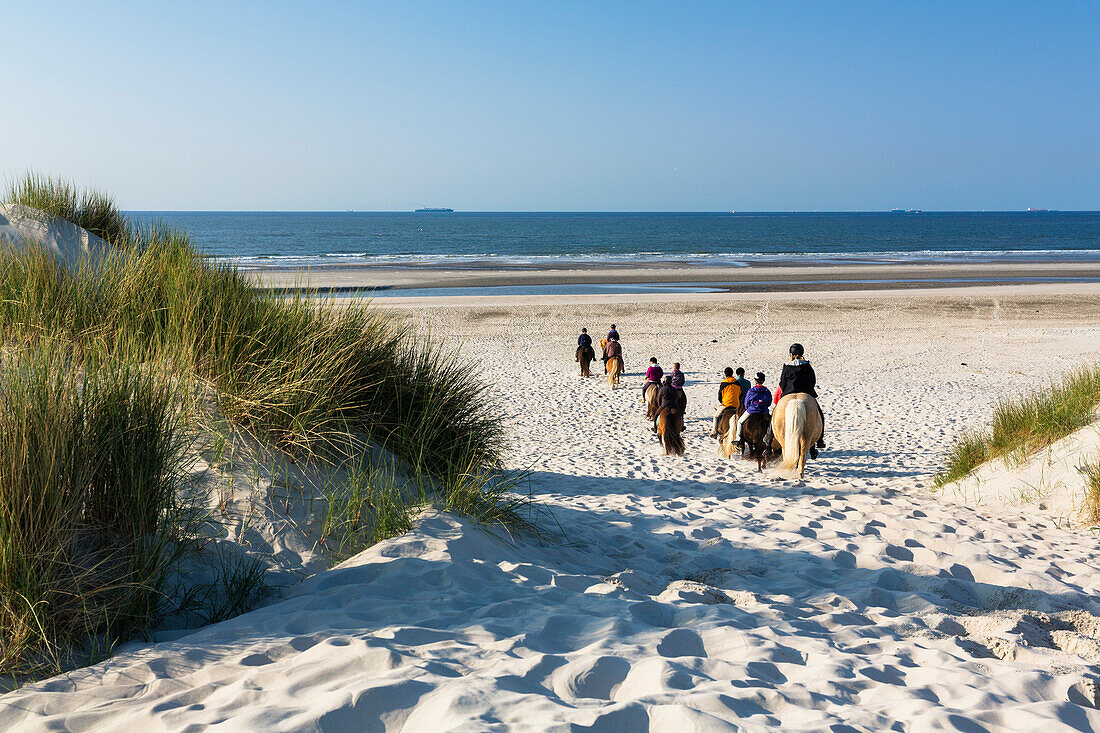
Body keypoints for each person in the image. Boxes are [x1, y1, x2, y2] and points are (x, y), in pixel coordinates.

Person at [778, 343, 826, 449]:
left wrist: (786, 391)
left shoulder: (787, 366)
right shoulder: (807, 365)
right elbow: (813, 380)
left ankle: (769, 436)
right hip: (806, 393)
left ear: (791, 353)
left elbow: (782, 382)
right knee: (820, 415)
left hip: (789, 393)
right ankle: (820, 439)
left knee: (774, 414)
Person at [734, 372, 772, 445]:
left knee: (740, 422)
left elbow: (746, 403)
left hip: (752, 410)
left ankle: (738, 439)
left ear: (755, 380)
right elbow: (769, 403)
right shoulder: (767, 391)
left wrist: (750, 408)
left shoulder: (751, 391)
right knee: (771, 424)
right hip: (764, 411)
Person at [710, 367, 743, 438]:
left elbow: (720, 396)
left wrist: (722, 402)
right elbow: (740, 394)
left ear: (725, 374)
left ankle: (714, 432)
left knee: (716, 416)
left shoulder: (724, 383)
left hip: (726, 404)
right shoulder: (737, 383)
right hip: (736, 405)